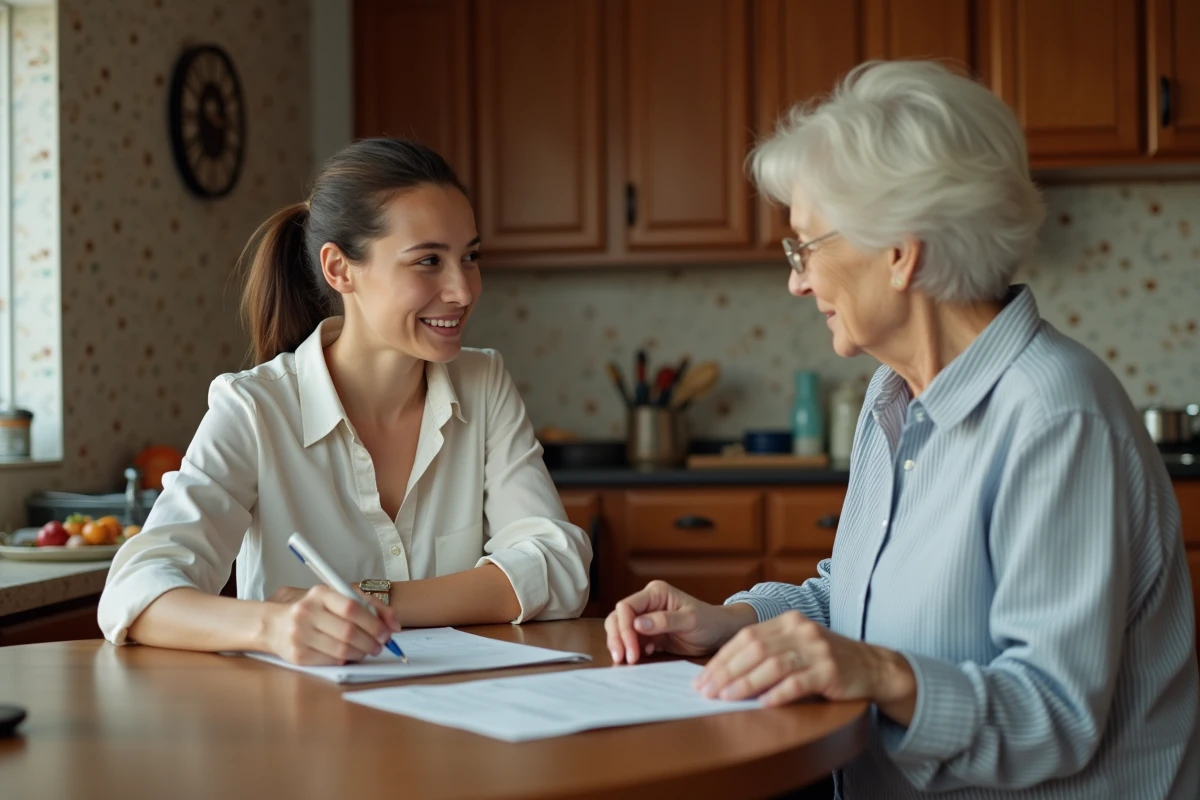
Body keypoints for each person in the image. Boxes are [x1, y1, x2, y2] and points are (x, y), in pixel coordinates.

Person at [606, 61, 1199, 798]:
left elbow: (1053, 717)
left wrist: (880, 674)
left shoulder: (1055, 418)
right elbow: (861, 603)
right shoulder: (896, 398)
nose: (796, 281)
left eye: (805, 248)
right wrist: (732, 621)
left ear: (899, 252)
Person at [99, 138, 591, 665]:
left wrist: (372, 597)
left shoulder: (484, 382)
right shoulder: (254, 408)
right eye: (428, 260)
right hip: (302, 731)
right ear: (339, 269)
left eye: (469, 257)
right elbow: (135, 590)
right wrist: (275, 625)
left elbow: (559, 565)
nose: (463, 290)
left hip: (456, 723)